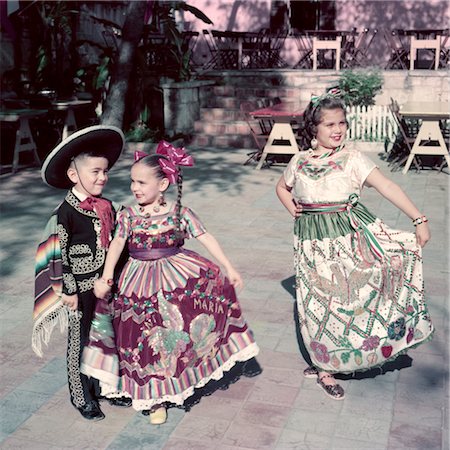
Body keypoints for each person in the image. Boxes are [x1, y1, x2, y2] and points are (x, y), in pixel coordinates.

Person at [82, 141, 260, 424]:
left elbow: (205, 238)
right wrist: (106, 277)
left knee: (173, 332)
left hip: (175, 275)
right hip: (137, 281)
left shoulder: (180, 213)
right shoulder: (129, 215)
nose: (134, 188)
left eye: (141, 182)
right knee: (142, 334)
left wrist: (229, 267)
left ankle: (175, 382)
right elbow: (116, 245)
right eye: (132, 182)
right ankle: (154, 399)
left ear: (163, 184)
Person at [276, 90, 434, 400]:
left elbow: (386, 184)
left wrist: (418, 218)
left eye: (342, 123)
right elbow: (281, 187)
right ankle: (325, 365)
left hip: (351, 237)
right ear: (313, 128)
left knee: (350, 300)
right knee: (317, 305)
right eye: (329, 124)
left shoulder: (352, 157)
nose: (337, 130)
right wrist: (291, 206)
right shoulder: (300, 161)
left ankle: (342, 356)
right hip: (312, 243)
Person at [32, 125, 132, 421]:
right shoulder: (65, 213)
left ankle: (102, 386)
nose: (102, 177)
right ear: (74, 175)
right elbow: (58, 255)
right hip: (80, 292)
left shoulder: (108, 207)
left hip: (104, 287)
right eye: (95, 172)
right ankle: (81, 395)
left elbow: (117, 244)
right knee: (80, 341)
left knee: (105, 337)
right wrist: (69, 292)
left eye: (105, 172)